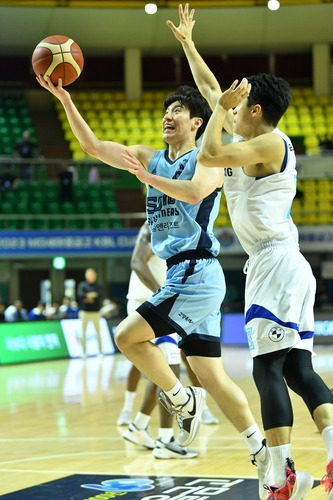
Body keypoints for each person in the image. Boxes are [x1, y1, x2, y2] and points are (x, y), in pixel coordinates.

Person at [122, 4, 333, 498]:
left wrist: (216, 114)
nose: (229, 109)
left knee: (268, 369)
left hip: (276, 263)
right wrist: (190, 46)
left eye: (239, 108)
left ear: (254, 112)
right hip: (281, 263)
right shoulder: (250, 135)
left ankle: (279, 477)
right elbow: (215, 94)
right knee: (300, 369)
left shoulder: (266, 144)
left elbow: (211, 152)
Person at [36, 70, 271, 499]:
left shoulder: (209, 156)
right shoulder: (149, 155)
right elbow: (92, 147)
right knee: (212, 375)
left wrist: (149, 181)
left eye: (177, 110)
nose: (167, 115)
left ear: (197, 121)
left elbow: (196, 193)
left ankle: (182, 401)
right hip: (189, 274)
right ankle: (264, 453)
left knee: (127, 337)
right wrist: (64, 99)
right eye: (165, 110)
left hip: (195, 271)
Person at [119, 221, 198, 459]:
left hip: (154, 304)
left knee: (163, 370)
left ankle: (140, 426)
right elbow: (136, 262)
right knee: (169, 372)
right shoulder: (154, 225)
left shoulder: (175, 227)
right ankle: (165, 439)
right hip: (149, 303)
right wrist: (160, 293)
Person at [77, 268, 103, 357]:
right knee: (83, 332)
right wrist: (89, 296)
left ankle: (100, 352)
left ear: (95, 275)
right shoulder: (82, 285)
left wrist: (89, 296)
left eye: (92, 274)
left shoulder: (98, 285)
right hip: (84, 312)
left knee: (98, 332)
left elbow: (99, 295)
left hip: (95, 312)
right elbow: (80, 295)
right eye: (89, 274)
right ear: (86, 275)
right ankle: (83, 352)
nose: (91, 276)